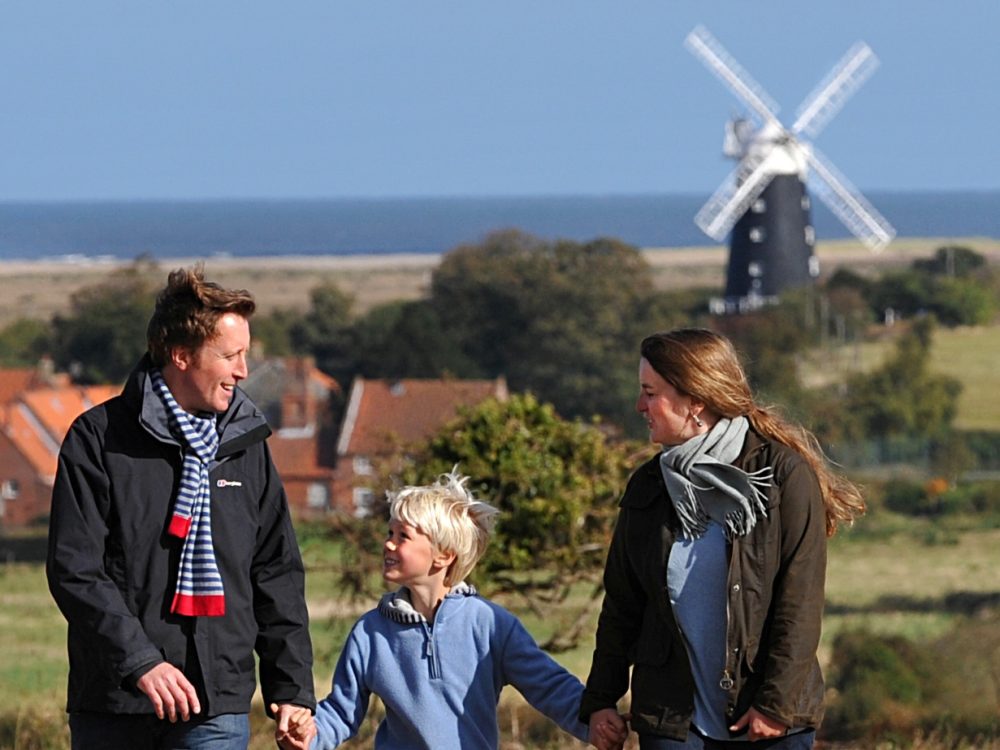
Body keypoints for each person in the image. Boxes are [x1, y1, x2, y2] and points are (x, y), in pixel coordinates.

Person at [46, 266, 316, 749]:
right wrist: (140, 664)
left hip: (217, 705)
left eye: (245, 355)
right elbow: (76, 570)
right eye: (230, 356)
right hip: (116, 705)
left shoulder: (245, 444)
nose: (243, 371)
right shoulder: (98, 439)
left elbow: (275, 571)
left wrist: (292, 691)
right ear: (181, 355)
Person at [580, 328, 866, 749]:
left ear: (694, 400)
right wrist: (601, 700)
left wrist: (776, 704)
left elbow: (800, 601)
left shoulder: (783, 475)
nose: (640, 405)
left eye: (650, 393)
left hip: (767, 721)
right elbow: (623, 604)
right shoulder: (647, 486)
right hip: (672, 720)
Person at [276, 470, 626, 750]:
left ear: (443, 555)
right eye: (389, 532)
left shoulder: (490, 626)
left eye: (403, 536)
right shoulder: (370, 633)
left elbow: (548, 686)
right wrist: (309, 735)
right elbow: (341, 711)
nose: (388, 543)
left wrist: (593, 721)